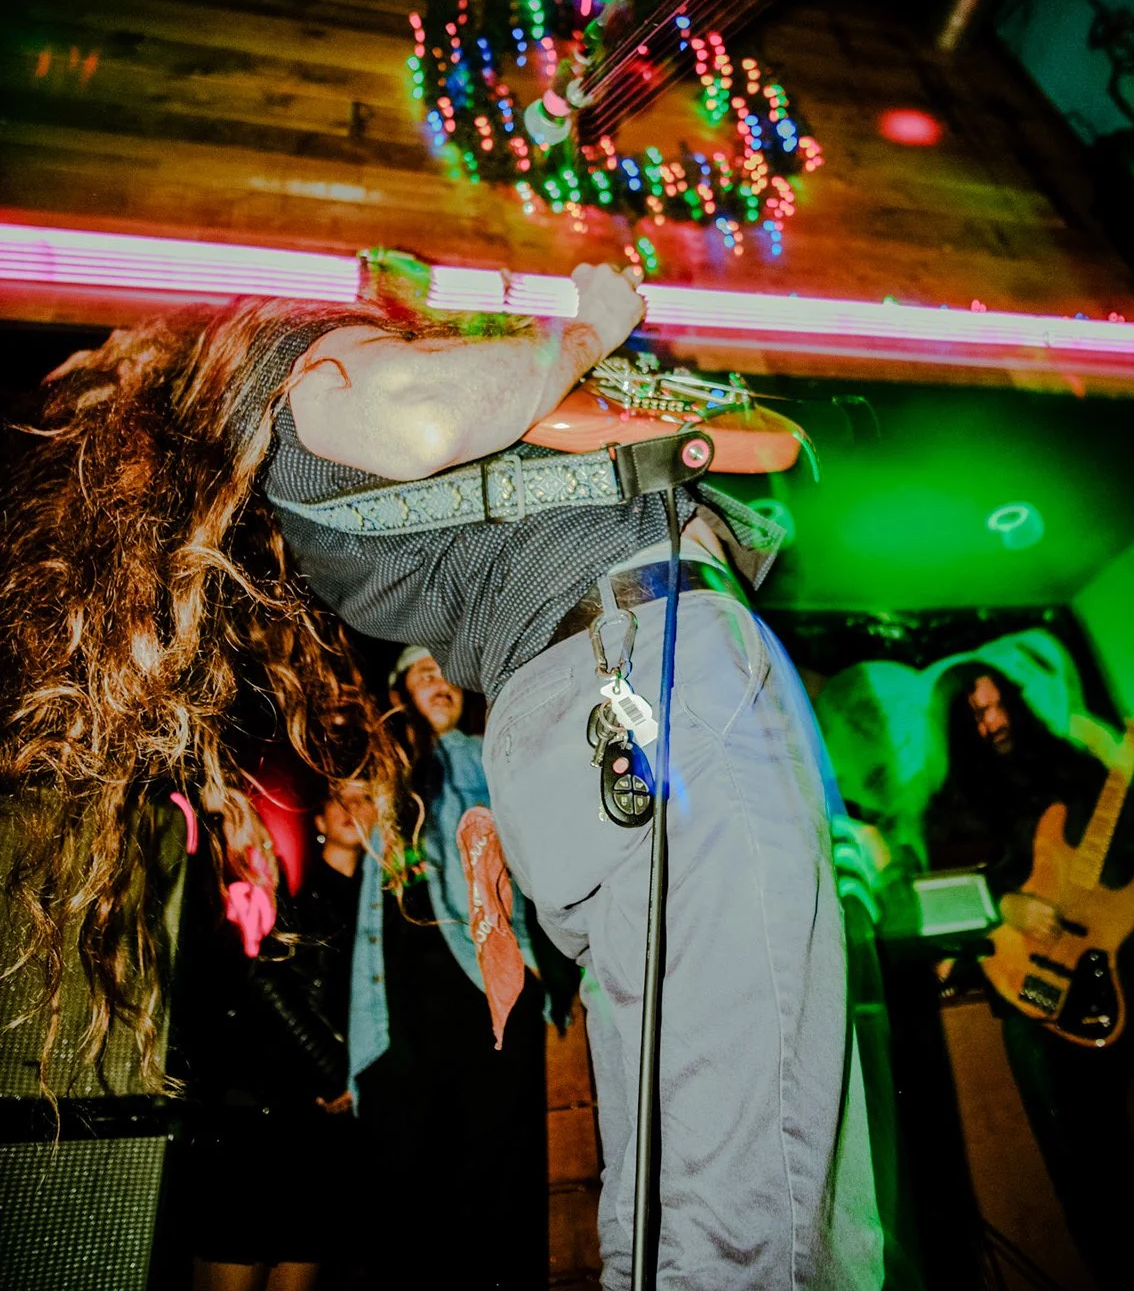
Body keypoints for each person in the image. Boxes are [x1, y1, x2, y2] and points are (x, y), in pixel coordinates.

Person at [0, 265, 882, 1291]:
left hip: (598, 689)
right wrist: (583, 331)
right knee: (751, 1173)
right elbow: (411, 417)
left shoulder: (302, 495)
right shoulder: (302, 376)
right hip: (633, 671)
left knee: (723, 1143)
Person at [928, 660, 1134, 1290]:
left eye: (999, 704)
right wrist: (1004, 905)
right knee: (1089, 1180)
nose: (993, 720)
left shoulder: (1072, 764)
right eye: (976, 712)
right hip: (1039, 978)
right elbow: (940, 895)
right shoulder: (951, 805)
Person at [343, 645, 551, 1291]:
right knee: (406, 1201)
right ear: (398, 689)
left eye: (445, 670)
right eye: (420, 670)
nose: (438, 679)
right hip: (399, 1017)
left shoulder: (494, 760)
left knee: (492, 1191)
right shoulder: (376, 770)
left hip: (484, 1006)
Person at [182, 782, 368, 1291]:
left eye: (264, 840)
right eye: (243, 833)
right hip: (244, 1134)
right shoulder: (217, 909)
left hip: (307, 1135)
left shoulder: (292, 911)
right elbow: (267, 993)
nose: (260, 844)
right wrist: (337, 1074)